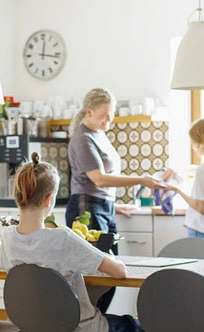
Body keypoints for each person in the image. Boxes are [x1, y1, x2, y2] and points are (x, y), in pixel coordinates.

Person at [0, 152, 159, 332]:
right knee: (150, 330)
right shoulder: (62, 238)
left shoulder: (7, 240)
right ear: (49, 200)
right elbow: (119, 271)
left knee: (91, 312)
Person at [65, 87, 170, 312]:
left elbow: (98, 185)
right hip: (87, 211)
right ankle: (88, 327)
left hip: (100, 208)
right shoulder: (82, 138)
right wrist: (141, 179)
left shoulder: (98, 135)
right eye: (104, 116)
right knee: (98, 275)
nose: (108, 121)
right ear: (89, 112)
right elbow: (99, 179)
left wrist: (113, 204)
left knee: (107, 276)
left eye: (110, 116)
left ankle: (95, 326)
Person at [159, 118, 204, 246]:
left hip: (200, 231)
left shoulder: (203, 169)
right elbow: (197, 169)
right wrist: (179, 170)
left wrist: (176, 190)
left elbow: (201, 208)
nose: (193, 146)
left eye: (194, 141)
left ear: (202, 141)